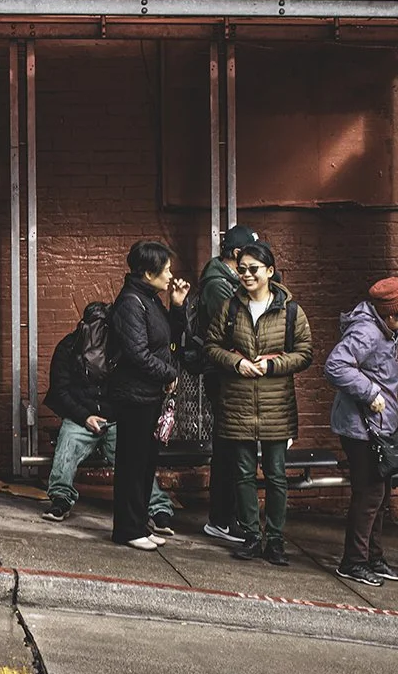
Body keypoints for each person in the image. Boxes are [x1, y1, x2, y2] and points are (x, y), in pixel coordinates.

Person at [204, 240, 313, 565]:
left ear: (269, 271)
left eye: (253, 269)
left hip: (276, 404)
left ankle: (275, 540)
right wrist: (236, 363)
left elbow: (305, 352)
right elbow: (212, 346)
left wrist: (272, 365)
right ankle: (252, 536)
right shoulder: (230, 308)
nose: (246, 276)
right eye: (242, 270)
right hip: (237, 403)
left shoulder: (290, 310)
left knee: (277, 474)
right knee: (243, 473)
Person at [40, 302, 176, 528]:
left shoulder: (121, 348)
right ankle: (61, 499)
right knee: (67, 449)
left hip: (115, 418)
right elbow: (61, 391)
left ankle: (158, 507)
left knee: (134, 460)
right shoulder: (68, 348)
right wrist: (85, 417)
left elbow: (129, 387)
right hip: (81, 417)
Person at [325, 276, 398, 586]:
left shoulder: (383, 328)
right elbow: (336, 365)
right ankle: (353, 561)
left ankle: (373, 558)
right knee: (369, 494)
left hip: (375, 426)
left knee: (377, 495)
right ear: (391, 313)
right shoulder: (367, 331)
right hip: (360, 429)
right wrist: (370, 393)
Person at [105, 240, 190, 550]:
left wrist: (178, 305)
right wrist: (169, 375)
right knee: (131, 463)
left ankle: (139, 523)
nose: (170, 276)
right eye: (165, 270)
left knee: (146, 463)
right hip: (133, 397)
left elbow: (170, 341)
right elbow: (137, 354)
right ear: (147, 272)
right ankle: (127, 529)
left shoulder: (151, 299)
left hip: (150, 395)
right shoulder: (131, 302)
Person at [190, 224, 263, 543]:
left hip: (234, 374)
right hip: (223, 374)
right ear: (236, 254)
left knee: (235, 446)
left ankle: (227, 515)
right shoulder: (218, 285)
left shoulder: (230, 281)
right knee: (229, 447)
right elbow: (238, 326)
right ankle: (222, 517)